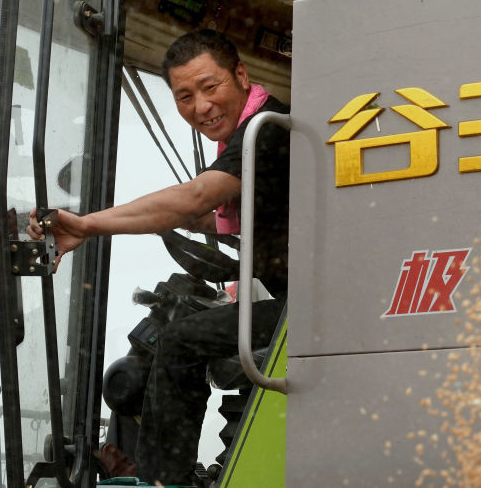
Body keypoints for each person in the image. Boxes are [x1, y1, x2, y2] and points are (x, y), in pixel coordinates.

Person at [28, 28, 290, 487]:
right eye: (184, 96)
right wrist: (196, 221)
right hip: (303, 304)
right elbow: (213, 211)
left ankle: (162, 481)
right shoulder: (256, 133)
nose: (201, 107)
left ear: (242, 77)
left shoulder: (263, 132)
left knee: (182, 341)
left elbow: (195, 196)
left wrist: (87, 225)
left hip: (314, 311)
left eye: (211, 88)